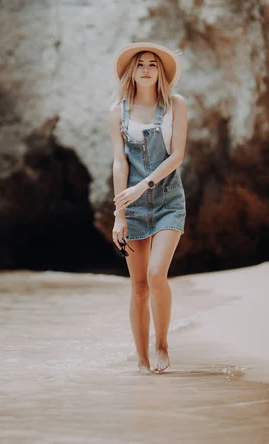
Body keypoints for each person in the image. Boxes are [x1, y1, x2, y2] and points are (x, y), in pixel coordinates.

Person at [108, 42, 188, 374]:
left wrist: (145, 185)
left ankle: (162, 345)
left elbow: (177, 156)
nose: (145, 68)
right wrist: (119, 216)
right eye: (140, 63)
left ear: (160, 73)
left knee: (156, 274)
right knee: (138, 287)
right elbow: (119, 164)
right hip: (134, 209)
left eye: (152, 64)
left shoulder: (175, 105)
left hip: (169, 200)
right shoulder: (118, 111)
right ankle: (141, 362)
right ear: (132, 71)